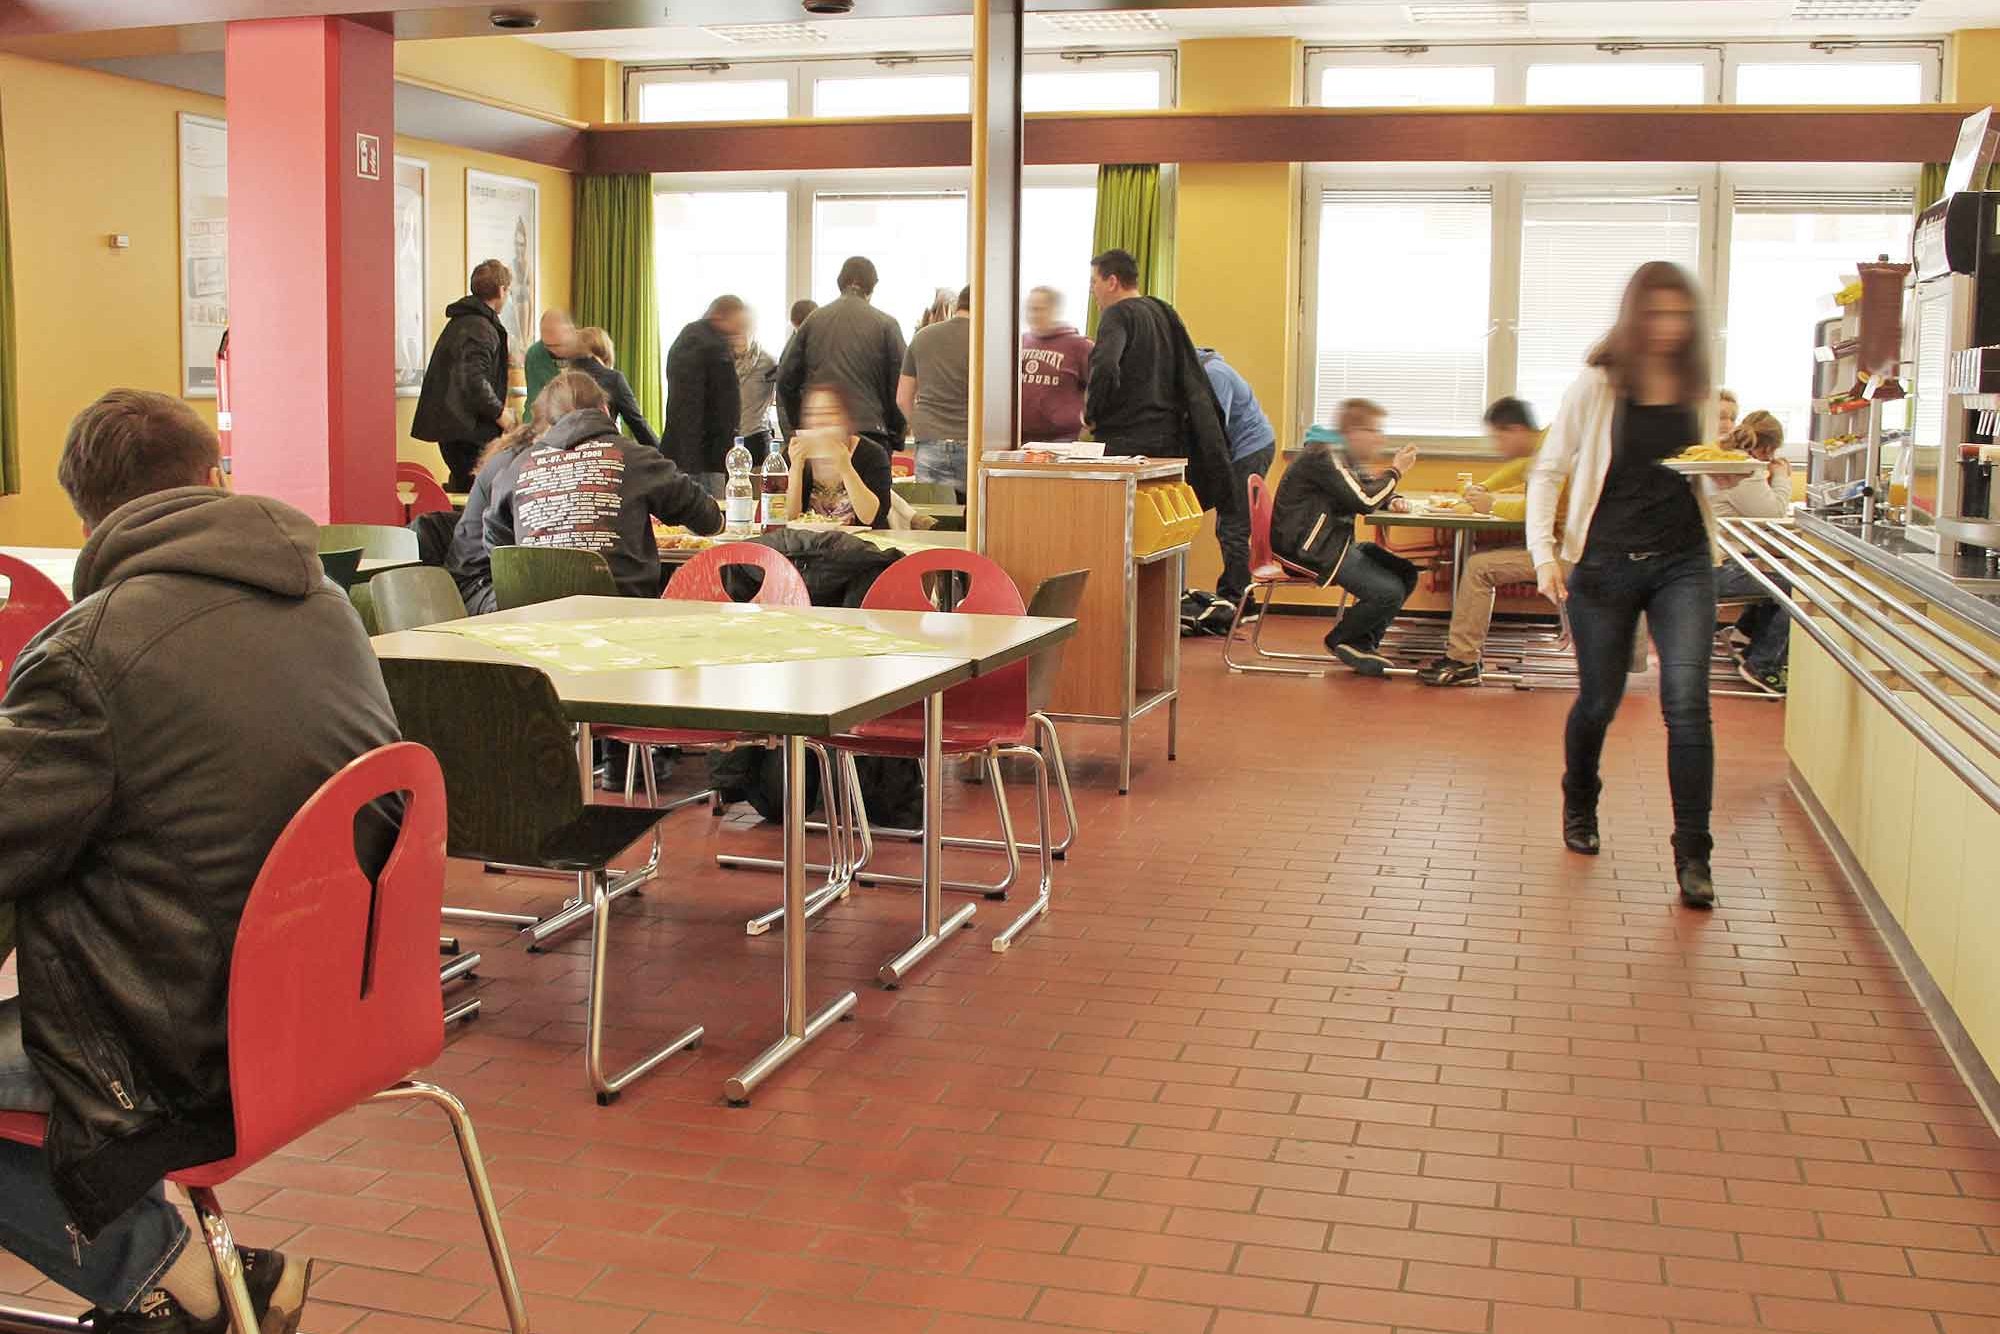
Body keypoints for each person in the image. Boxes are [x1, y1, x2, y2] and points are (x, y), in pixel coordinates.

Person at [1, 390, 407, 1334]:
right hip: (345, 1003)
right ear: (214, 478)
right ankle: (196, 1282)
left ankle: (176, 1279)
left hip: (185, 1041)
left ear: (86, 517)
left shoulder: (92, 649)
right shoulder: (325, 604)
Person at [1528, 260, 1720, 910]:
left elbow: (1707, 470)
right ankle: (1580, 796)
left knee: (1687, 702)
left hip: (1683, 562)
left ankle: (1694, 855)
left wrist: (1729, 473)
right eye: (1657, 314)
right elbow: (1549, 469)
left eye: (1681, 316)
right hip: (1604, 564)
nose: (1669, 327)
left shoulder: (1698, 385)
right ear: (1635, 317)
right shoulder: (1598, 383)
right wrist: (1545, 556)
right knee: (1599, 701)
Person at [498, 370, 722, 599]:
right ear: (605, 409)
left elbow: (496, 548)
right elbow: (708, 519)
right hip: (623, 613)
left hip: (537, 614)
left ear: (550, 421)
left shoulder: (515, 470)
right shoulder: (635, 458)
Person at [1416, 397, 1562, 688]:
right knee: (1482, 562)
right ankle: (1464, 657)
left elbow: (1538, 509)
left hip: (1570, 555)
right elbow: (1521, 468)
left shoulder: (1553, 452)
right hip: (1563, 546)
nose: (1496, 447)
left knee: (1478, 567)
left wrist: (1491, 504)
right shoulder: (1549, 443)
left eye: (1497, 438)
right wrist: (1484, 487)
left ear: (1516, 430)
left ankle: (1463, 662)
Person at [1269, 399, 1421, 676]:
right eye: (1374, 431)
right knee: (1388, 591)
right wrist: (1396, 471)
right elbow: (1364, 501)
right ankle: (1342, 639)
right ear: (1353, 432)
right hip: (1307, 550)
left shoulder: (1339, 454)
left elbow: (1365, 487)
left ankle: (1362, 643)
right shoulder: (1324, 455)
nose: (1380, 439)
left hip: (1331, 544)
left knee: (1406, 573)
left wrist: (1392, 498)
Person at [1082, 249, 1237, 516]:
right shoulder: (1164, 312)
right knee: (1161, 527)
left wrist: (1091, 413)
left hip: (1126, 445)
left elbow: (1105, 366)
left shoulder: (1117, 315)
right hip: (1169, 443)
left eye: (1094, 282)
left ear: (1112, 282)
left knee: (1119, 527)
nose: (1092, 290)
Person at [447, 372, 586, 615]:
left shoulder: (538, 454)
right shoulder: (517, 465)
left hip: (509, 577)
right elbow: (513, 550)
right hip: (480, 584)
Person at [777, 257, 908, 450]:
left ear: (840, 282)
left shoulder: (813, 321)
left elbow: (785, 380)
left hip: (822, 434)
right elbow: (901, 384)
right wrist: (896, 435)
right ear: (872, 287)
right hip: (871, 432)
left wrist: (803, 423)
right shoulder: (887, 324)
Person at [1707, 408, 1793, 695]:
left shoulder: (1727, 460)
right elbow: (1774, 514)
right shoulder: (1743, 470)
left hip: (1704, 562)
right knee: (1796, 591)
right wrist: (1781, 476)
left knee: (1773, 577)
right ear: (1767, 449)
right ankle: (1763, 664)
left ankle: (1744, 636)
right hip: (1713, 569)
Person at [411, 258, 515, 492]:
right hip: (470, 430)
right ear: (501, 290)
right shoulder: (481, 328)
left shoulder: (462, 322)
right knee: (481, 492)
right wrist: (500, 413)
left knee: (465, 486)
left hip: (455, 428)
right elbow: (474, 379)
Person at [1198, 346, 1277, 607]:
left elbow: (1215, 428)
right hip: (1243, 449)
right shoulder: (1203, 371)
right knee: (1229, 527)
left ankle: (1238, 601)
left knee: (1233, 527)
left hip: (1250, 448)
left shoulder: (1214, 374)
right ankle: (1237, 596)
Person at [665, 295, 748, 493]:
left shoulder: (699, 341)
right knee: (712, 508)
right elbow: (691, 405)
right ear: (721, 317)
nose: (740, 331)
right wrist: (691, 461)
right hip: (703, 457)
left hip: (700, 454)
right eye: (738, 324)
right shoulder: (707, 345)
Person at [785, 382, 894, 530]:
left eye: (829, 413)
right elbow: (788, 518)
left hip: (861, 541)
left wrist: (846, 468)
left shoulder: (872, 454)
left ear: (846, 418)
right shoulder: (795, 452)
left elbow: (871, 518)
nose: (819, 421)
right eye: (811, 414)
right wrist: (796, 469)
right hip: (808, 541)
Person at [897, 285, 972, 498]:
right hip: (972, 442)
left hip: (930, 442)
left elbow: (902, 398)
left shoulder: (922, 337)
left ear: (958, 305)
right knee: (976, 514)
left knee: (932, 512)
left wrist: (921, 427)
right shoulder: (985, 339)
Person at [571, 326, 661, 453]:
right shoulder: (613, 378)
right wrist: (666, 455)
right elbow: (638, 425)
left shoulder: (561, 380)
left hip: (562, 458)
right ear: (604, 350)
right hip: (601, 455)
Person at [1020, 286, 1091, 444]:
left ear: (1054, 311)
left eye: (1039, 309)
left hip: (1062, 439)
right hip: (1021, 438)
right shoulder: (1021, 342)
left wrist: (1088, 421)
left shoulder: (1079, 346)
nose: (1033, 315)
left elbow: (1100, 385)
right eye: (1030, 309)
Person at [733, 313, 779, 465]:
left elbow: (783, 394)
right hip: (728, 438)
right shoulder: (722, 361)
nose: (740, 336)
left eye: (744, 330)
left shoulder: (768, 362)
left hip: (757, 436)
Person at [522, 308, 576, 411]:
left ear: (571, 332)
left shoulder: (587, 350)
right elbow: (534, 399)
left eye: (558, 345)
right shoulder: (535, 353)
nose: (553, 351)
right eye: (548, 346)